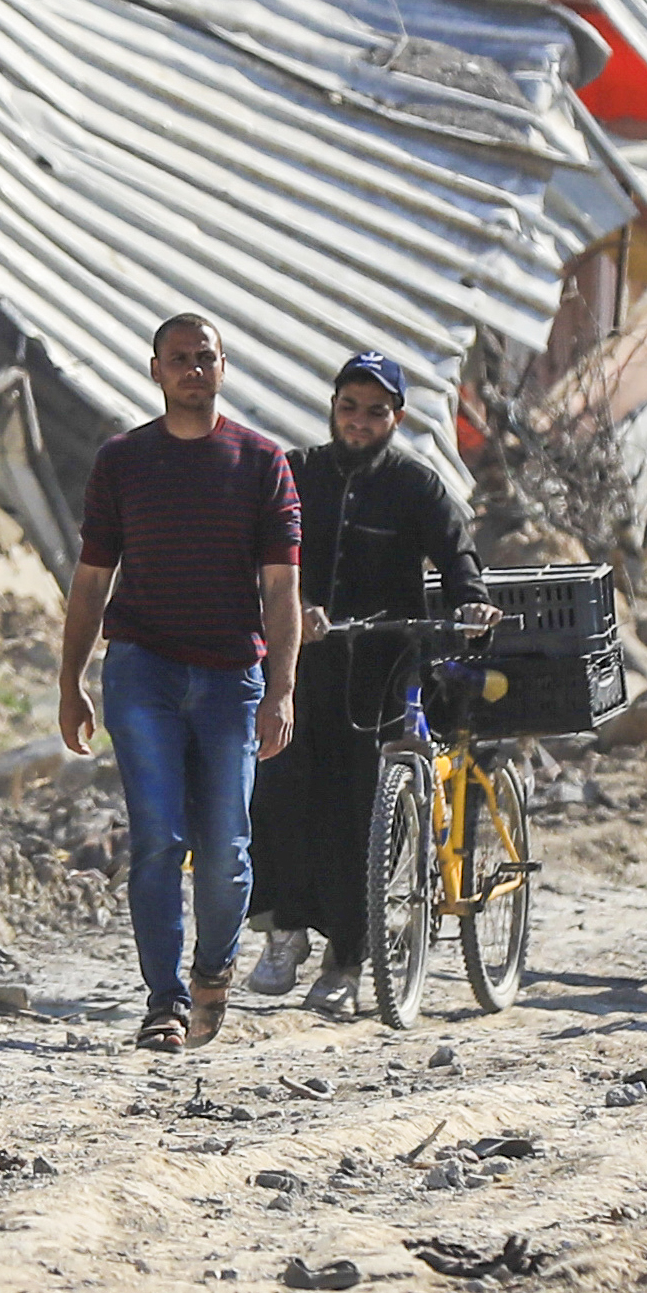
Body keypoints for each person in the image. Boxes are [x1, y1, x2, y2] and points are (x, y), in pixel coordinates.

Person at [58, 313, 301, 1052]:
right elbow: (92, 577)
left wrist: (282, 688)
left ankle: (212, 974)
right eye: (180, 359)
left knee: (226, 847)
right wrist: (70, 681)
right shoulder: (123, 461)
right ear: (155, 370)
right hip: (143, 670)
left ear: (225, 368)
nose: (193, 370)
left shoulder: (261, 463)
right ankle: (162, 1002)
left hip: (232, 676)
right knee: (158, 841)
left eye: (206, 358)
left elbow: (284, 590)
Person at [255, 351, 489, 1011]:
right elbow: (263, 555)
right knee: (278, 791)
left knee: (360, 810)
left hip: (383, 671)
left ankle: (348, 961)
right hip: (299, 669)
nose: (359, 422)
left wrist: (470, 600)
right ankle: (285, 932)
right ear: (333, 408)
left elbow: (458, 556)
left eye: (375, 411)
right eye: (349, 407)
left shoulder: (417, 486)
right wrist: (290, 610)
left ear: (397, 417)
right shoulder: (295, 474)